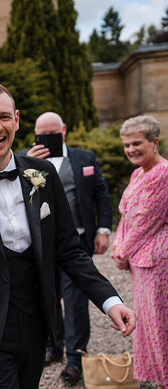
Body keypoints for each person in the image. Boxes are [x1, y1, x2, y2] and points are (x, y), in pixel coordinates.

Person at [0, 82, 136, 389]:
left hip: (35, 323)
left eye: (4, 116)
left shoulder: (42, 174)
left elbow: (69, 251)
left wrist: (110, 301)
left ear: (17, 120)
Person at [18, 111, 112, 383]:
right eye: (42, 134)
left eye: (53, 133)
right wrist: (29, 164)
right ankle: (52, 346)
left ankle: (75, 357)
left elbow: (101, 195)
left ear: (64, 130)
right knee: (46, 298)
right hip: (39, 244)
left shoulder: (85, 158)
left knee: (74, 302)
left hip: (77, 242)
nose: (48, 139)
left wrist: (103, 229)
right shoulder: (22, 160)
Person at [112, 115, 167, 389]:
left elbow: (147, 219)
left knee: (160, 322)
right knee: (148, 322)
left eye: (137, 143)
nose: (131, 149)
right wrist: (118, 249)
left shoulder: (163, 174)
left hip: (159, 261)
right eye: (126, 145)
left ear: (154, 142)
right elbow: (125, 214)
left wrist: (123, 252)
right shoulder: (137, 173)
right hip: (140, 260)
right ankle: (159, 379)